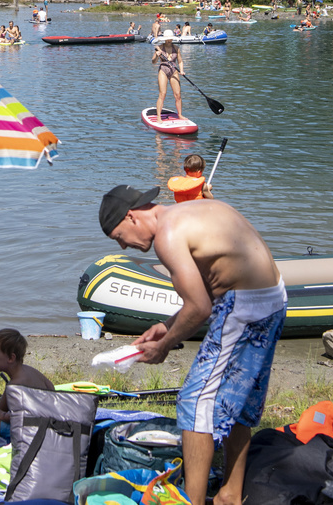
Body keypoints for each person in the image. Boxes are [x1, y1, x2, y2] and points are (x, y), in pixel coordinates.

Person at [98, 186, 285, 505]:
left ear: (131, 217)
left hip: (245, 306)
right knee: (238, 404)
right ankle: (229, 495)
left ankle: (193, 501)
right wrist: (166, 326)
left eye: (119, 237)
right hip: (273, 299)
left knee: (194, 402)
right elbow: (211, 288)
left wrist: (164, 346)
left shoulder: (167, 236)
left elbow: (199, 308)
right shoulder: (186, 213)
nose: (123, 245)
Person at [0, 329, 54, 436]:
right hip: (49, 422)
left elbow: (16, 417)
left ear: (11, 358)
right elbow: (50, 386)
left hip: (31, 431)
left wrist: (2, 415)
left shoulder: (15, 385)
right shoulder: (31, 371)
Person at [152, 30, 184, 120]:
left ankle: (180, 115)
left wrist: (181, 70)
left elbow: (180, 61)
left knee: (177, 94)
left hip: (174, 71)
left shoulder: (176, 48)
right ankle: (159, 117)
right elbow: (153, 62)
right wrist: (156, 55)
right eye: (167, 39)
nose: (169, 40)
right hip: (163, 71)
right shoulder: (159, 48)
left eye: (170, 39)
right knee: (162, 94)